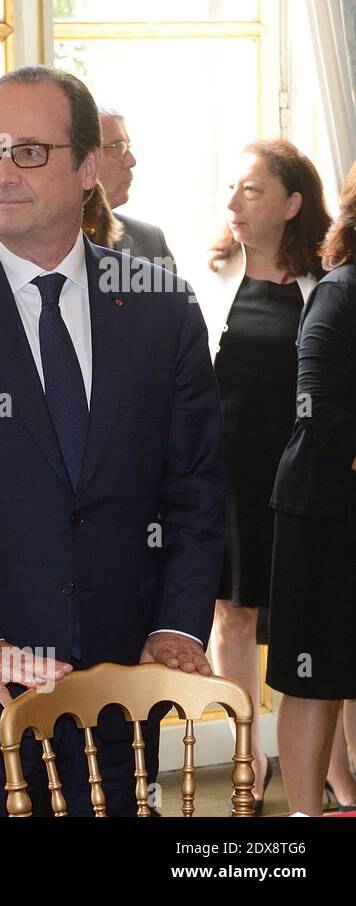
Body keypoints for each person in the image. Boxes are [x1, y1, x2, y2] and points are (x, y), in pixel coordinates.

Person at [0, 65, 225, 817]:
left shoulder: (162, 307)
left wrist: (176, 625)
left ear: (88, 167)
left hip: (128, 692)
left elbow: (196, 488)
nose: (2, 171)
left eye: (29, 150)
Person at [196, 139, 329, 812]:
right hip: (226, 468)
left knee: (313, 617)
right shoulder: (210, 269)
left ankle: (335, 771)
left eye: (252, 190)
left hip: (301, 470)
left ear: (292, 203)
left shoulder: (326, 280)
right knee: (234, 614)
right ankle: (248, 758)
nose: (234, 203)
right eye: (233, 189)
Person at [267, 159, 356, 815]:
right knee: (315, 675)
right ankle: (303, 815)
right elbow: (317, 407)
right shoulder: (340, 291)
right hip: (320, 514)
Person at [96, 107, 176, 271]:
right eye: (117, 147)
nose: (131, 161)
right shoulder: (35, 242)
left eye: (127, 147)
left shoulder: (151, 244)